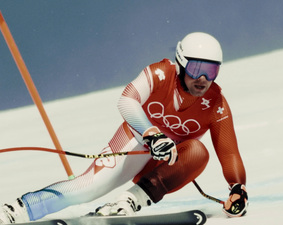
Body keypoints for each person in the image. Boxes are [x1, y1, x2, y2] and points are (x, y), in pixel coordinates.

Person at [0, 32, 248, 224]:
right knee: (87, 188)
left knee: (197, 152)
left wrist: (238, 188)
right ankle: (18, 210)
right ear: (181, 64)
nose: (203, 79)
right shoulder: (160, 73)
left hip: (162, 165)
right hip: (135, 143)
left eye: (211, 71)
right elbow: (127, 100)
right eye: (196, 69)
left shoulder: (215, 103)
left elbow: (229, 152)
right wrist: (151, 133)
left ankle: (128, 202)